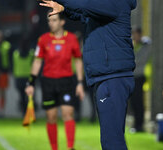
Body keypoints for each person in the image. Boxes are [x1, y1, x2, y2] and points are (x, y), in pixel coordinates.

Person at [39, 0, 136, 150]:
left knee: (112, 141)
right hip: (108, 76)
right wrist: (64, 8)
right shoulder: (104, 9)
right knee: (111, 138)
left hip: (112, 77)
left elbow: (84, 5)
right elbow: (82, 14)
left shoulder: (115, 2)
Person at [25, 12, 84, 150]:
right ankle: (54, 148)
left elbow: (78, 61)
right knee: (51, 117)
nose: (51, 23)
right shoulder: (43, 39)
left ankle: (70, 147)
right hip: (48, 83)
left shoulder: (71, 39)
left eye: (54, 20)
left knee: (68, 114)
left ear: (62, 22)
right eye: (49, 20)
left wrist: (80, 83)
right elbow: (37, 62)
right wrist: (31, 83)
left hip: (66, 82)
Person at [129, 27, 151, 132]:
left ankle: (140, 124)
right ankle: (136, 123)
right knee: (133, 101)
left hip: (140, 76)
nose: (134, 37)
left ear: (140, 35)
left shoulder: (145, 45)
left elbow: (141, 59)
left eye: (136, 34)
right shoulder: (134, 45)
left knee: (138, 101)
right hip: (132, 76)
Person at [13, 37, 34, 115]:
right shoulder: (31, 54)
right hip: (28, 78)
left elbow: (14, 66)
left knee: (22, 97)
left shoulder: (16, 54)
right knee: (30, 98)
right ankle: (30, 113)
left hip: (19, 77)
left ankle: (24, 113)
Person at [0, 30, 11, 115]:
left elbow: (9, 58)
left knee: (2, 91)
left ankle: (1, 110)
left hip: (4, 71)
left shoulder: (7, 46)